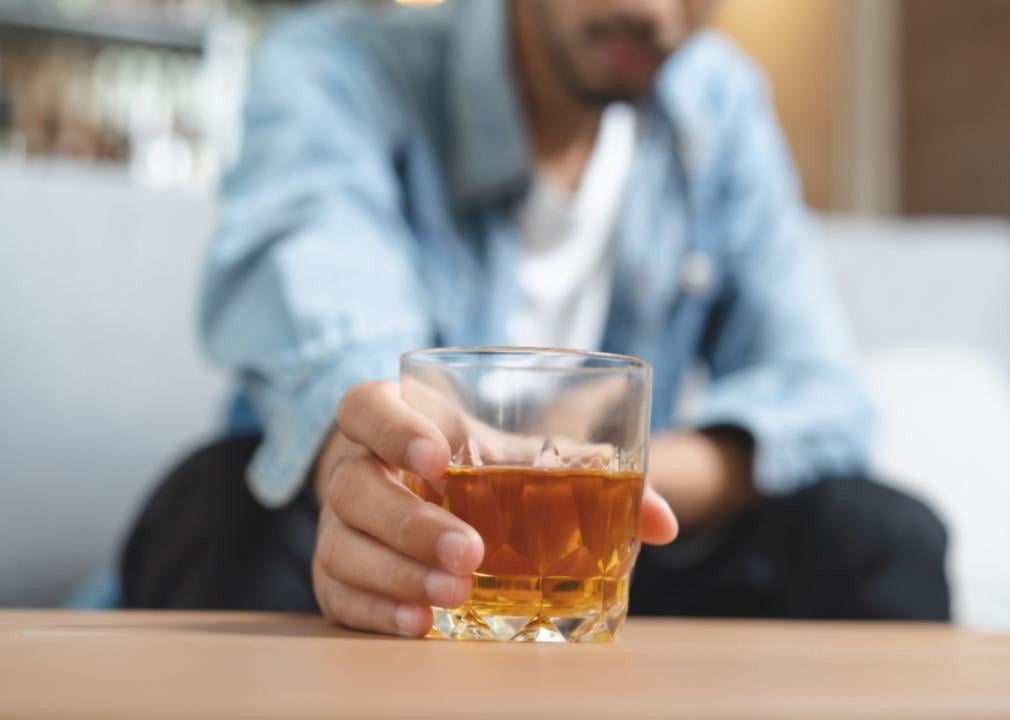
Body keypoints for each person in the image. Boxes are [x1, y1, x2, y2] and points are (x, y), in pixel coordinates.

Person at [121, 0, 950, 633]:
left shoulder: (718, 99)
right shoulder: (337, 65)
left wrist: (612, 484)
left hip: (610, 555)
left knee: (882, 532)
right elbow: (333, 329)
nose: (656, 16)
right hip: (382, 535)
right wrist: (378, 468)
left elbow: (821, 391)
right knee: (216, 502)